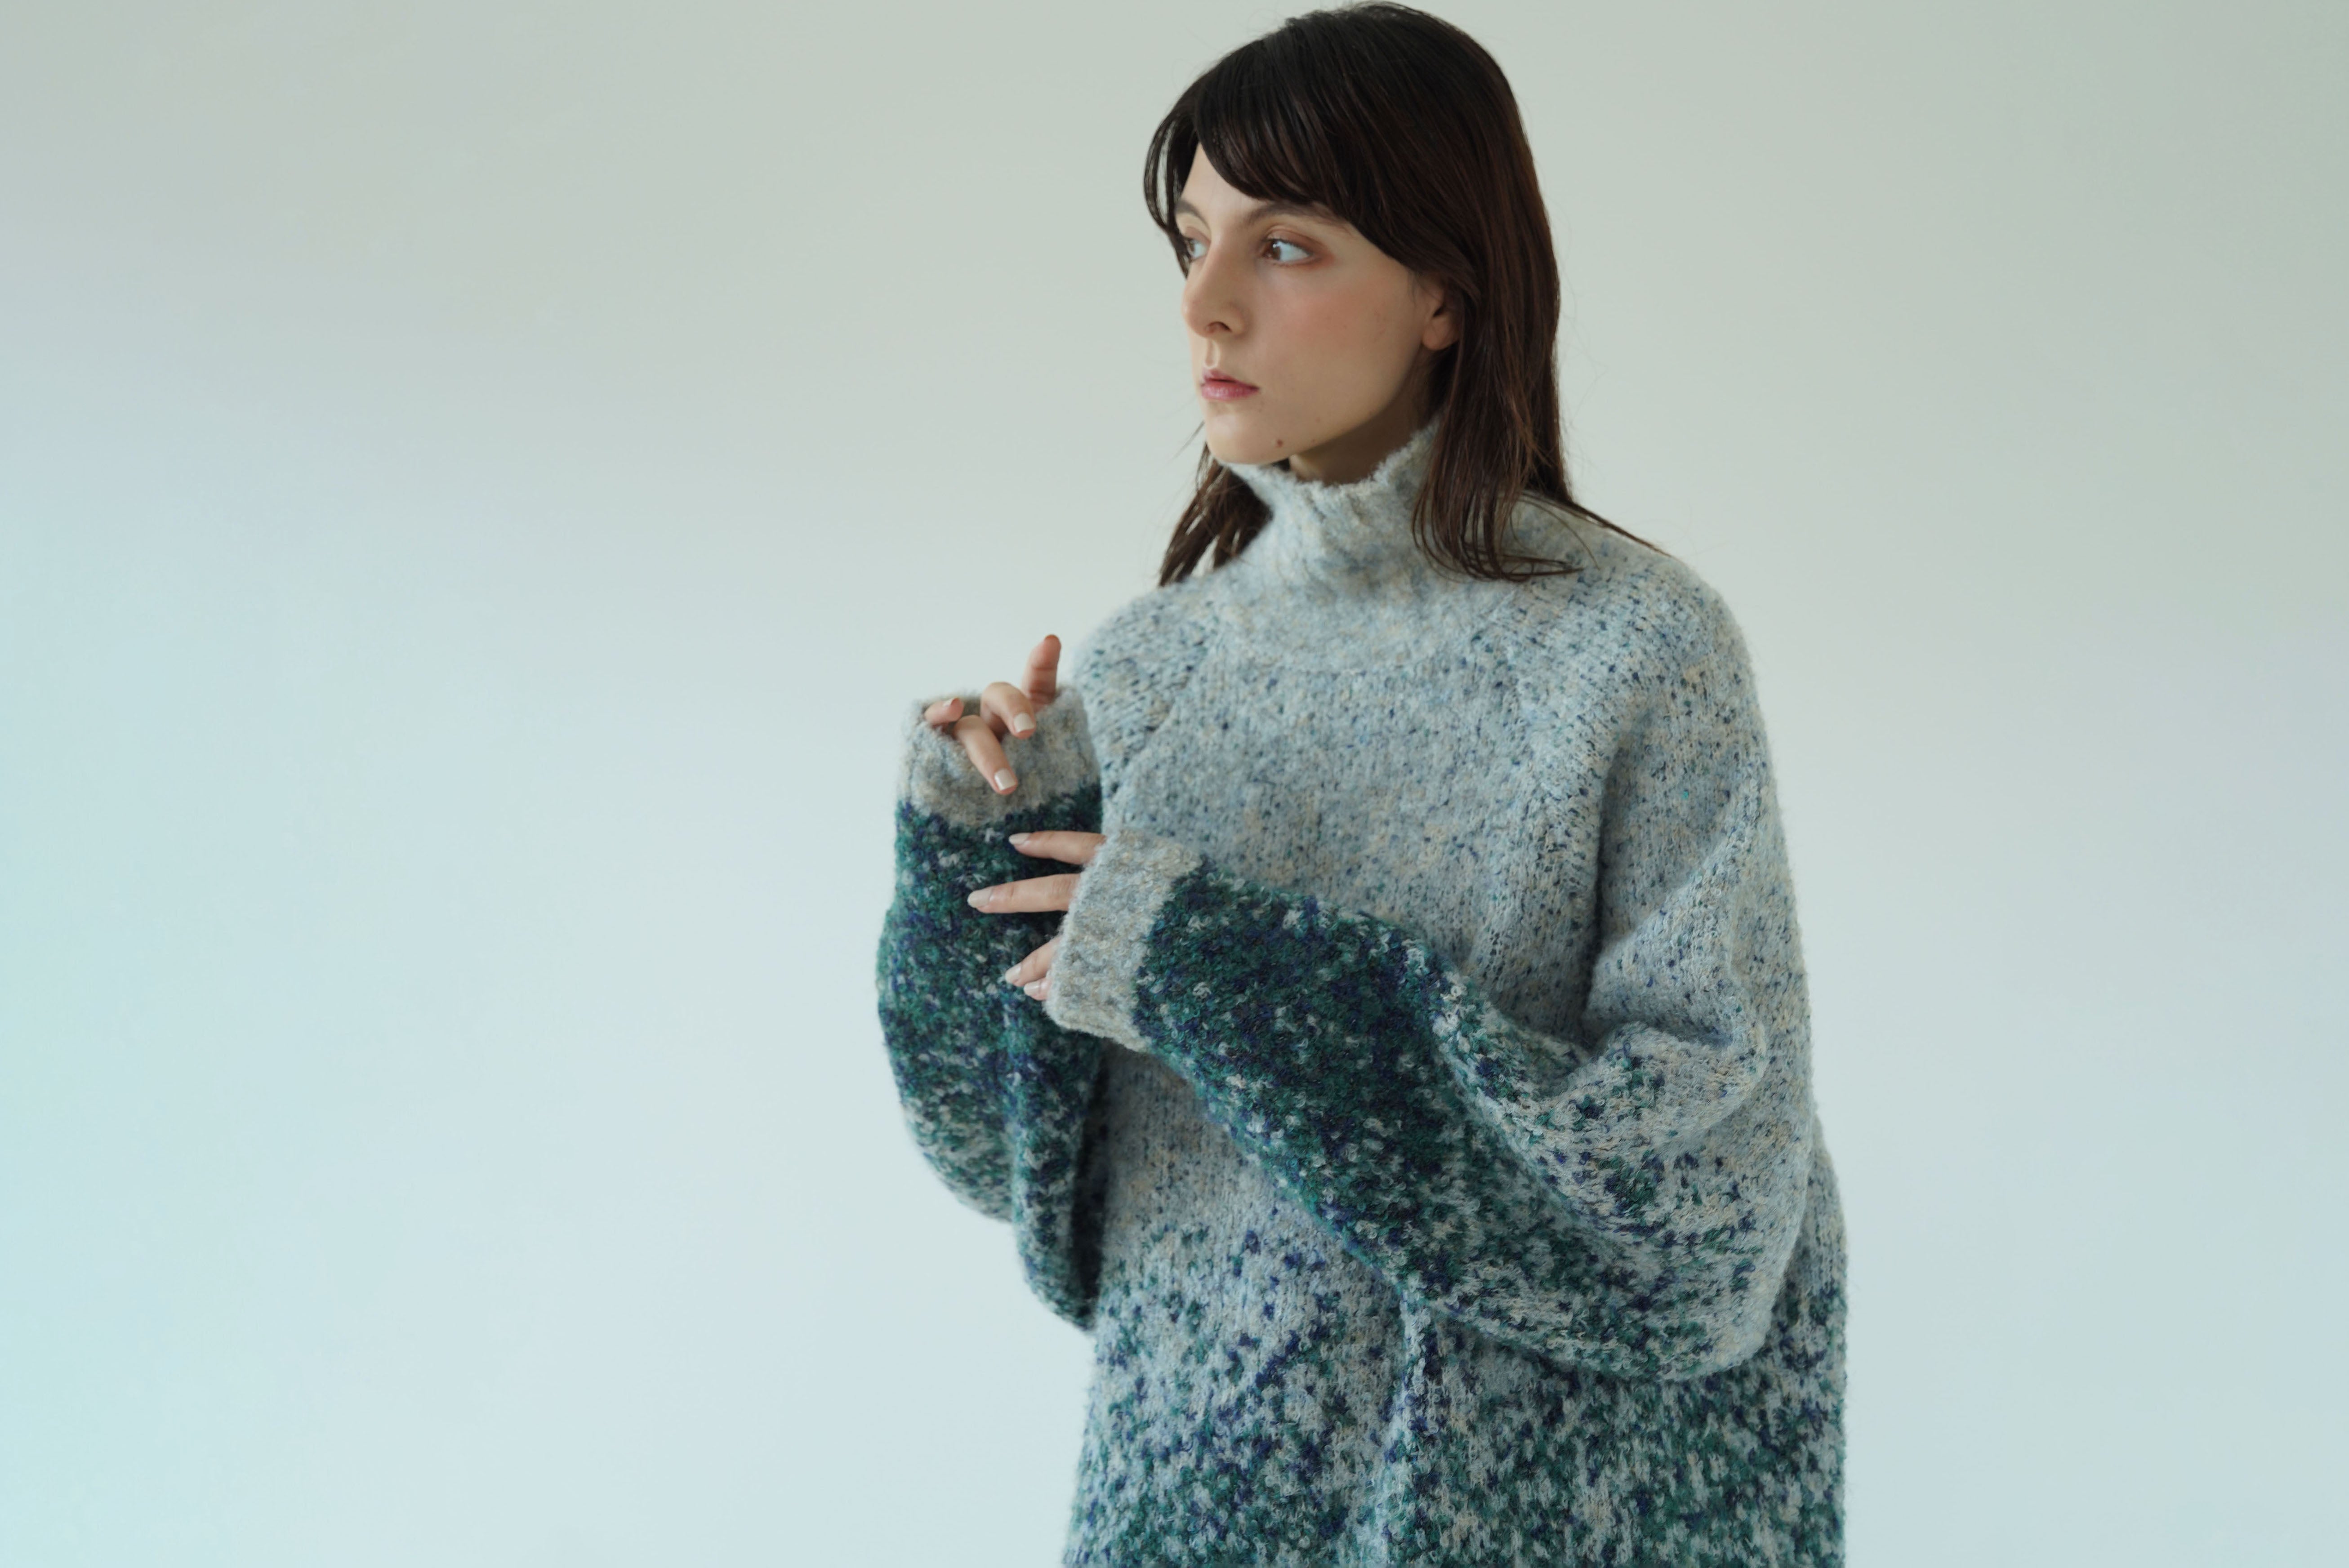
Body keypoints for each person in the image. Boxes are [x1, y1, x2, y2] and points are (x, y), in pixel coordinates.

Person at [874, 5, 1846, 1562]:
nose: (1203, 305)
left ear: (1445, 291)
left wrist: (1212, 966)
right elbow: (1013, 1171)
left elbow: (1705, 1209)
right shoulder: (1145, 672)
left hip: (1527, 1517)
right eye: (1191, 242)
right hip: (1193, 1502)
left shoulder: (1632, 650)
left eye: (1285, 247)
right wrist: (976, 853)